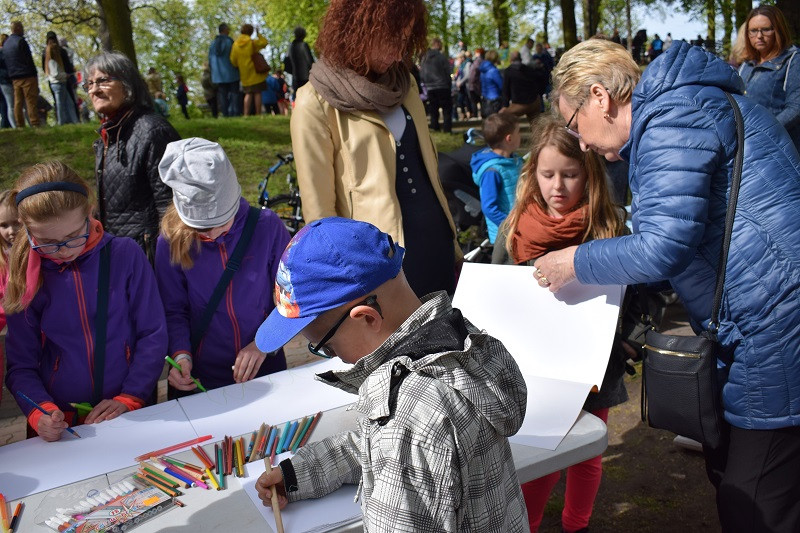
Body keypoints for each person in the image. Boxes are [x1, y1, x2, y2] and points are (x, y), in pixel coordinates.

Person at [536, 38, 800, 532]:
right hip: (761, 320)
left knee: (756, 499)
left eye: (575, 126)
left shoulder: (672, 118)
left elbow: (663, 245)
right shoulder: (688, 106)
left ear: (600, 96)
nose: (583, 144)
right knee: (736, 470)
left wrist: (573, 261)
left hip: (775, 324)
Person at [252, 217, 529, 532]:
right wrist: (301, 472)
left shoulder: (409, 413)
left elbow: (404, 439)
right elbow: (383, 444)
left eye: (325, 347)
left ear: (368, 318)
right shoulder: (455, 341)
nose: (333, 357)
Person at [504, 114, 628, 532]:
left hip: (595, 366)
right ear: (533, 173)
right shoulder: (519, 230)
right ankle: (531, 524)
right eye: (548, 174)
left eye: (570, 174)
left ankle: (578, 524)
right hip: (537, 371)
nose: (558, 187)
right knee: (539, 456)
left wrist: (626, 336)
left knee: (587, 453)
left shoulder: (608, 227)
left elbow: (634, 292)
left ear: (588, 173)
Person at [290, 0, 460, 298]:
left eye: (406, 40)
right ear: (356, 30)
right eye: (391, 38)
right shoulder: (313, 102)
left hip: (438, 245)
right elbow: (319, 215)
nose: (399, 52)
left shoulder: (404, 85)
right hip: (379, 266)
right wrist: (342, 281)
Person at [4, 161, 168, 441]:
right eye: (46, 242)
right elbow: (21, 365)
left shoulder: (125, 255)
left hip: (128, 410)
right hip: (60, 424)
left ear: (90, 213)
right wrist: (39, 412)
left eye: (72, 237)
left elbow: (152, 333)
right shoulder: (24, 274)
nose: (63, 251)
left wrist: (132, 395)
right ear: (27, 230)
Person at [155, 138, 291, 397]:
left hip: (266, 367)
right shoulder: (170, 242)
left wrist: (264, 344)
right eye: (202, 229)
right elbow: (173, 311)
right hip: (201, 379)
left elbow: (292, 300)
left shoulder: (267, 227)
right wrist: (180, 355)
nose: (216, 234)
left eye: (223, 221)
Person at [85, 51, 181, 263]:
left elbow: (171, 206)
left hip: (152, 259)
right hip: (120, 256)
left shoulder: (152, 131)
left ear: (127, 83)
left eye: (102, 81)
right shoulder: (106, 137)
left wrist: (168, 264)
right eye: (89, 84)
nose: (94, 90)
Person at [738, 5, 800, 151]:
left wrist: (762, 132)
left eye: (766, 29)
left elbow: (795, 109)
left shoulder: (793, 60)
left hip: (780, 150)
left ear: (778, 30)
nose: (759, 36)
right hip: (748, 150)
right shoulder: (745, 65)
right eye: (753, 31)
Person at [470, 112, 522, 246]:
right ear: (509, 138)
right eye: (519, 132)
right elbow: (489, 207)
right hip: (506, 236)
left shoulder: (514, 160)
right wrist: (511, 226)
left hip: (520, 229)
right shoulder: (492, 171)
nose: (520, 136)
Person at [0, 190, 20, 402]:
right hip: (18, 340)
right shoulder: (3, 261)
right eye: (3, 225)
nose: (11, 231)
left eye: (16, 223)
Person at [4, 21, 40, 127]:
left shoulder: (6, 44)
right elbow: (28, 59)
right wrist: (34, 74)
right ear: (18, 28)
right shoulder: (21, 41)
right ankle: (34, 122)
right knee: (30, 100)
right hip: (27, 75)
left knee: (18, 102)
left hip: (14, 77)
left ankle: (19, 124)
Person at [230, 24, 268, 117]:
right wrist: (259, 34)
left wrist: (238, 65)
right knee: (257, 93)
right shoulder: (252, 42)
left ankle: (246, 114)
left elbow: (233, 60)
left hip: (244, 73)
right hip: (255, 72)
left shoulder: (235, 45)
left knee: (248, 94)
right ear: (251, 32)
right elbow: (264, 43)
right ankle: (258, 114)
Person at [43, 33, 78, 125]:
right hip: (58, 83)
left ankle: (75, 121)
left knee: (69, 103)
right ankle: (61, 122)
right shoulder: (52, 62)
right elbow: (55, 75)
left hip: (61, 83)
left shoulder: (55, 62)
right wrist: (65, 75)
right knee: (60, 104)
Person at [420, 37, 453, 133]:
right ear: (438, 45)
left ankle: (435, 128)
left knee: (433, 110)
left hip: (430, 88)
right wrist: (448, 84)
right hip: (443, 87)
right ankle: (447, 130)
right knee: (446, 110)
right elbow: (448, 72)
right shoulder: (441, 57)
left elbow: (422, 74)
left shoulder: (424, 58)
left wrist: (426, 84)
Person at [208, 23, 241, 117]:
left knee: (222, 95)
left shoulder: (213, 44)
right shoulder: (230, 42)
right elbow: (235, 56)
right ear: (225, 30)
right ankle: (235, 113)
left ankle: (225, 113)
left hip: (219, 75)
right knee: (234, 93)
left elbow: (210, 60)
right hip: (232, 72)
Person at [501, 51, 545, 122]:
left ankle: (513, 131)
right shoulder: (529, 69)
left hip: (519, 103)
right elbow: (539, 80)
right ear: (520, 59)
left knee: (502, 116)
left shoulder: (508, 71)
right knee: (536, 125)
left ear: (510, 60)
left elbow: (505, 90)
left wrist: (505, 105)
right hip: (534, 101)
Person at [287, 26, 314, 93]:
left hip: (295, 77)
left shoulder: (290, 46)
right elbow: (310, 61)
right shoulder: (304, 45)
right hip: (306, 77)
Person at [479, 49, 503, 117]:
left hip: (485, 99)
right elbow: (501, 86)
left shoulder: (482, 70)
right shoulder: (493, 71)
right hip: (495, 101)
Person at [0, 34, 16, 128]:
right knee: (9, 104)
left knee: (4, 105)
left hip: (3, 80)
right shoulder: (3, 52)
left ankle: (6, 124)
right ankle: (8, 125)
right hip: (5, 81)